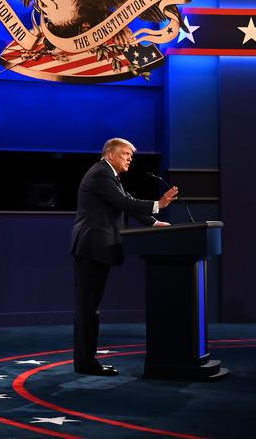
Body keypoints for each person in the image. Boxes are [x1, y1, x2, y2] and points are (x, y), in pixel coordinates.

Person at [70, 138, 179, 376]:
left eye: (131, 155)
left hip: (95, 248)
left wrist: (154, 222)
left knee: (90, 308)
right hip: (91, 248)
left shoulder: (111, 176)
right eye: (126, 154)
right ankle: (86, 363)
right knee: (88, 308)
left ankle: (86, 361)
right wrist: (158, 204)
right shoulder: (101, 173)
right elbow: (123, 202)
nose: (130, 158)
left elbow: (125, 205)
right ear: (110, 154)